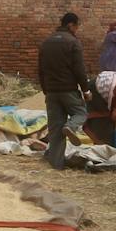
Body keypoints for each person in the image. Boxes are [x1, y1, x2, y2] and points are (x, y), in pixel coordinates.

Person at [36, 12, 88, 171]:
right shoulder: (73, 42)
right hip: (68, 89)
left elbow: (40, 69)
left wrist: (45, 89)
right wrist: (85, 89)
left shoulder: (46, 43)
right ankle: (71, 127)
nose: (77, 30)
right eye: (77, 26)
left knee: (55, 129)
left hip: (51, 92)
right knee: (81, 113)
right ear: (71, 25)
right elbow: (79, 69)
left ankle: (56, 165)